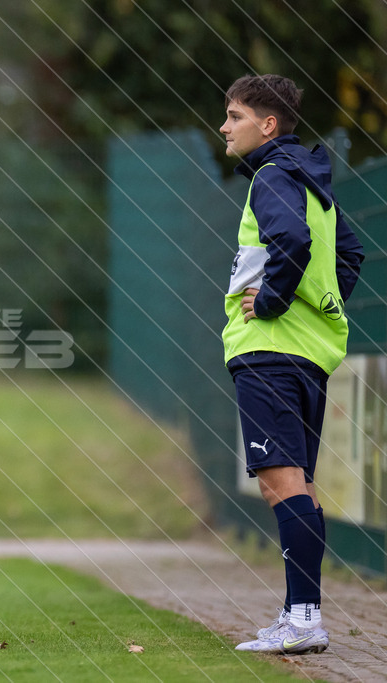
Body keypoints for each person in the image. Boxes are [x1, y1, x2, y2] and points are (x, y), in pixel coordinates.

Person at [219, 74, 363, 654]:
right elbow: (348, 253)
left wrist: (274, 300)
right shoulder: (311, 184)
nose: (224, 126)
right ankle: (301, 614)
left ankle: (303, 619)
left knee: (282, 485)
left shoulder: (273, 178)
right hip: (308, 353)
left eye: (234, 115)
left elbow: (291, 242)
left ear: (268, 124)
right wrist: (321, 303)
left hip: (270, 353)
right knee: (298, 485)